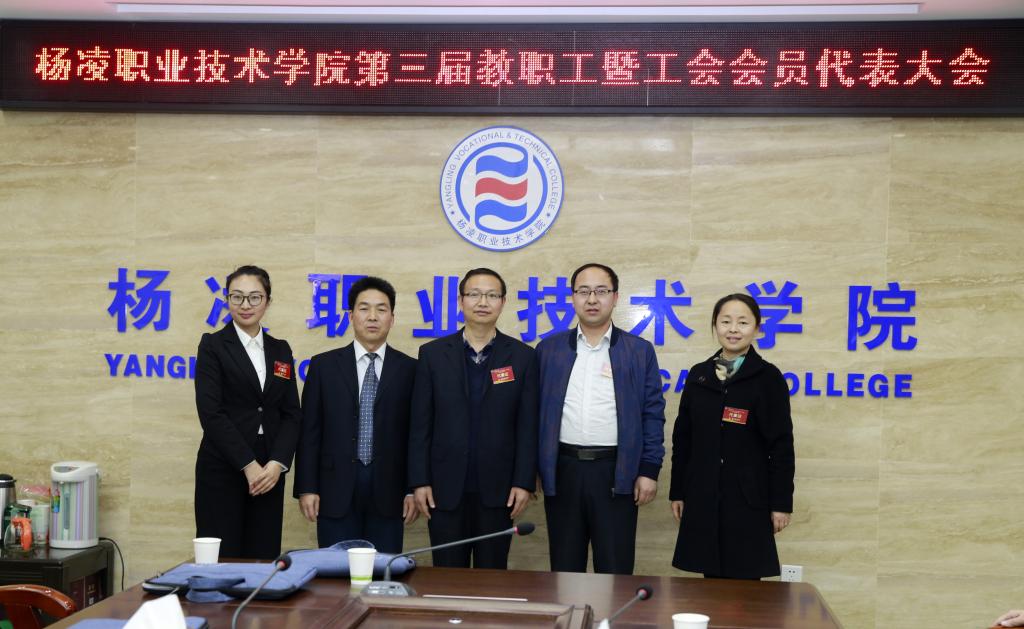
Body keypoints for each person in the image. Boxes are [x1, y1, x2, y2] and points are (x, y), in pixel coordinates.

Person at [536, 262, 666, 575]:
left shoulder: (639, 351)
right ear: (572, 297)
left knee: (615, 569)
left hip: (617, 472)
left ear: (615, 297)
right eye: (584, 291)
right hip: (563, 470)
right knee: (565, 568)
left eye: (601, 291)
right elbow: (533, 414)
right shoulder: (549, 350)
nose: (592, 299)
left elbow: (652, 413)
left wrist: (648, 470)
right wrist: (534, 469)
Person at [408, 268, 538, 569]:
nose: (483, 302)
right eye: (475, 294)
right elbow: (420, 425)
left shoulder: (523, 356)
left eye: (492, 295)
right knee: (447, 574)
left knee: (492, 576)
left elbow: (528, 426)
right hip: (442, 488)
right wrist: (419, 480)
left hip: (500, 489)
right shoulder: (432, 354)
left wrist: (523, 482)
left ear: (503, 302)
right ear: (460, 301)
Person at [669, 293, 795, 579]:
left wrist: (781, 504)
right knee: (709, 582)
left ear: (757, 328)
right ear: (715, 326)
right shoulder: (699, 375)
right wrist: (678, 491)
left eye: (743, 322)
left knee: (746, 586)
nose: (733, 329)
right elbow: (683, 440)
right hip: (702, 494)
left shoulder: (768, 378)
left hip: (748, 498)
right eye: (725, 321)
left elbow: (781, 446)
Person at [293, 276, 418, 553]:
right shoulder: (323, 366)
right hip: (334, 489)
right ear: (351, 316)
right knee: (335, 570)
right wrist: (307, 487)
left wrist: (412, 488)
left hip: (390, 491)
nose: (372, 317)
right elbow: (310, 432)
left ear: (392, 318)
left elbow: (416, 434)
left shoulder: (411, 370)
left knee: (383, 569)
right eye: (364, 308)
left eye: (381, 309)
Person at [193, 265, 300, 560]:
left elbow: (291, 413)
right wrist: (248, 464)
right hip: (223, 466)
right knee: (222, 559)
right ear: (227, 300)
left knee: (262, 558)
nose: (245, 305)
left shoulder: (280, 350)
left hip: (269, 471)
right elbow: (211, 412)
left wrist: (277, 463)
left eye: (255, 297)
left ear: (267, 301)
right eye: (237, 297)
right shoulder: (213, 345)